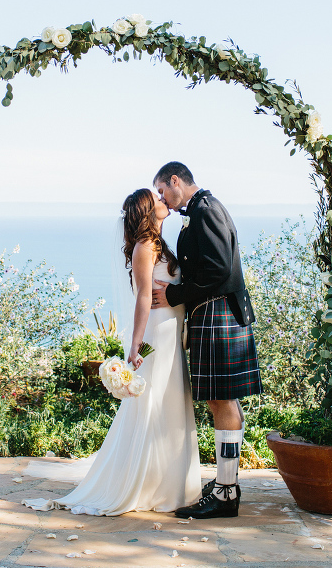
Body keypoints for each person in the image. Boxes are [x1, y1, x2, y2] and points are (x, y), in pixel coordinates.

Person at [21, 188, 200, 515]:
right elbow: (143, 297)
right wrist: (134, 344)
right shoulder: (144, 248)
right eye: (157, 198)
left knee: (171, 402)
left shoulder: (160, 244)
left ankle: (171, 484)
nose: (164, 201)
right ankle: (147, 485)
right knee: (153, 404)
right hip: (157, 334)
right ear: (148, 210)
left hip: (173, 332)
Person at [151, 161, 263, 519]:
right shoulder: (201, 210)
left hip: (218, 313)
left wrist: (175, 294)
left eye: (162, 190)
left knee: (221, 401)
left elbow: (217, 268)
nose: (162, 198)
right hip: (214, 313)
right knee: (221, 401)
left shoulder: (205, 210)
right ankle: (225, 487)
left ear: (175, 181)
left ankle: (226, 493)